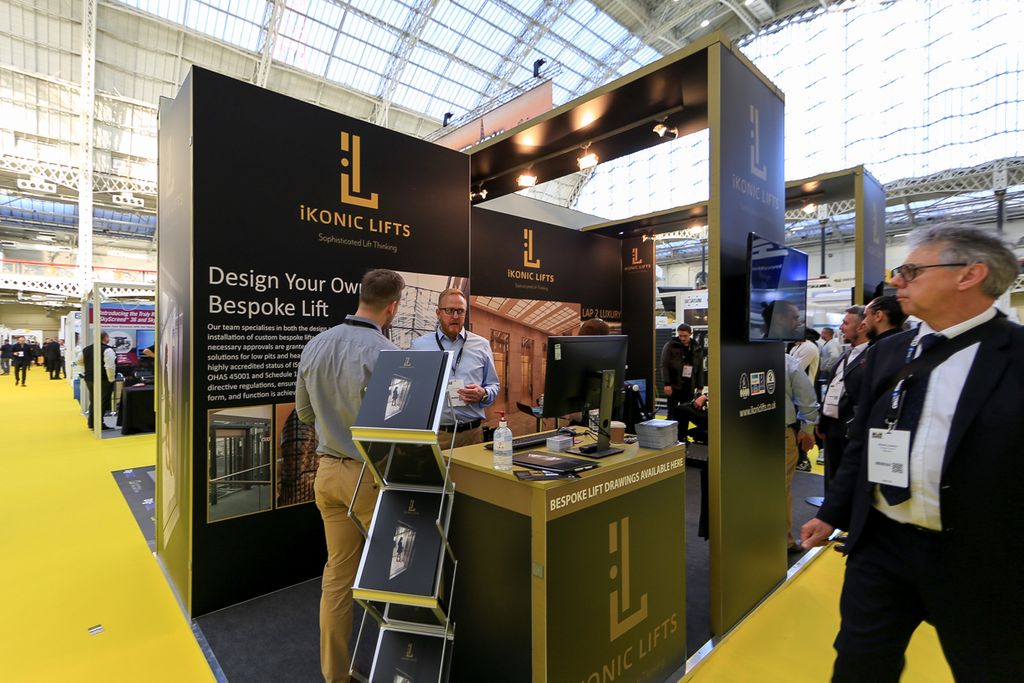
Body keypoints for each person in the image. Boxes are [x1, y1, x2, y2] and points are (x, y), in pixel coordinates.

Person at [801, 225, 1023, 681]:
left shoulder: (1016, 356)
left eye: (911, 270)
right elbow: (863, 442)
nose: (896, 281)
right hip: (881, 544)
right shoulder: (890, 352)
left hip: (980, 558)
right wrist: (833, 512)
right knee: (860, 664)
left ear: (969, 275)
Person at [295, 268, 405, 683]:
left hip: (327, 475)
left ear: (361, 296)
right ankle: (404, 665)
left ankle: (335, 674)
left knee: (338, 577)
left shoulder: (315, 345)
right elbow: (400, 426)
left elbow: (305, 413)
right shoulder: (388, 354)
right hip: (370, 479)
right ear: (392, 307)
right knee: (401, 572)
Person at [410, 288, 499, 449]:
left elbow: (494, 385)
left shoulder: (482, 345)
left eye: (460, 311)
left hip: (472, 435)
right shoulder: (419, 346)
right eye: (449, 310)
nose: (456, 316)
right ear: (438, 313)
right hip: (436, 436)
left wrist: (484, 394)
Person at [816, 306, 868, 486]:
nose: (841, 327)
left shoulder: (874, 355)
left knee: (848, 483)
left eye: (845, 323)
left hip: (851, 430)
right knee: (832, 478)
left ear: (862, 327)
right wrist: (823, 421)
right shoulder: (845, 355)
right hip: (832, 427)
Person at [785, 353, 819, 552]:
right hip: (781, 433)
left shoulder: (731, 356)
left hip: (742, 434)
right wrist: (807, 430)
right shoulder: (786, 361)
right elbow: (806, 398)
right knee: (780, 489)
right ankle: (783, 542)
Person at [661, 323, 705, 417]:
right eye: (680, 335)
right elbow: (664, 366)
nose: (682, 338)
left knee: (686, 413)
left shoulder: (697, 348)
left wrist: (700, 387)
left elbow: (700, 368)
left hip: (689, 385)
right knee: (671, 412)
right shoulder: (670, 346)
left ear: (691, 334)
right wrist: (667, 384)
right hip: (674, 385)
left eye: (685, 336)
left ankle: (683, 427)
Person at [77, 332, 116, 428]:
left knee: (94, 400)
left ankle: (92, 422)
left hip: (89, 378)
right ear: (105, 338)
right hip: (103, 379)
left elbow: (79, 361)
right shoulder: (107, 350)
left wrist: (90, 367)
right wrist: (111, 379)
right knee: (103, 401)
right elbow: (110, 366)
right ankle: (98, 424)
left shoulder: (86, 349)